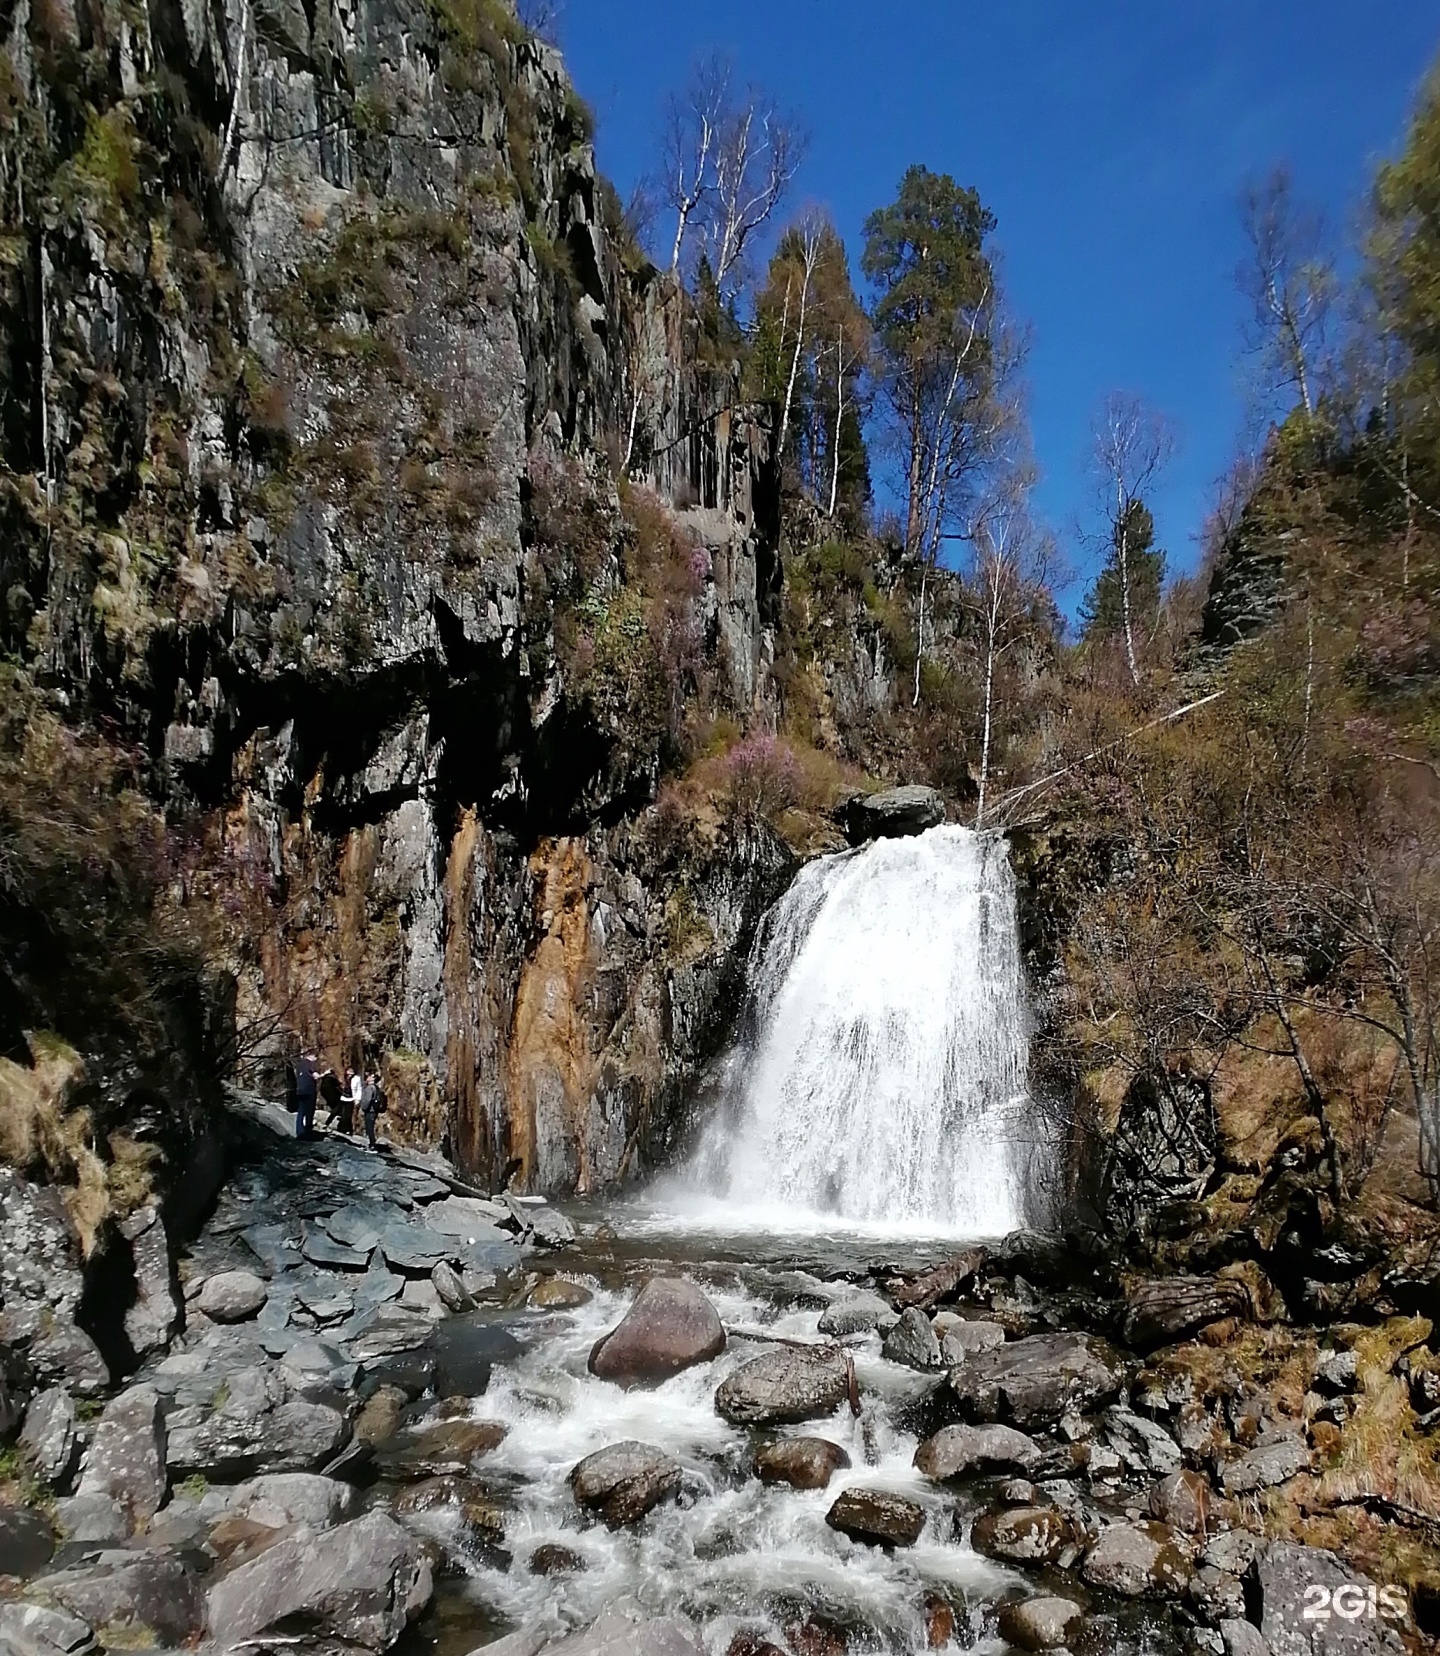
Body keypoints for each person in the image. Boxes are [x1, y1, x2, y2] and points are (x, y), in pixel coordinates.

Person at [361, 1070, 387, 1151]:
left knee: (369, 1128)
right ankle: (372, 1144)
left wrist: (364, 1107)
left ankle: (372, 1145)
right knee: (370, 1127)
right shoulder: (376, 1088)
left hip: (370, 1110)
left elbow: (367, 1099)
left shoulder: (370, 1088)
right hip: (374, 1110)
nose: (367, 1077)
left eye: (370, 1076)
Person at [294, 1052, 318, 1139]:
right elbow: (316, 1076)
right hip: (309, 1090)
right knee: (309, 1111)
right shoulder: (310, 1064)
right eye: (316, 1057)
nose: (316, 1059)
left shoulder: (299, 1065)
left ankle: (299, 1131)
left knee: (300, 1111)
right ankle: (308, 1130)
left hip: (300, 1090)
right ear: (311, 1056)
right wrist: (325, 1074)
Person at [337, 1067, 361, 1136]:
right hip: (343, 1098)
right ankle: (341, 1128)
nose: (350, 1073)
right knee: (342, 1114)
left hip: (351, 1098)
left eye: (351, 1071)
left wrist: (357, 1099)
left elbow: (359, 1089)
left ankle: (349, 1130)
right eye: (349, 1071)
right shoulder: (344, 1078)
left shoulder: (356, 1078)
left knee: (348, 1115)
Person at [317, 1064, 341, 1131]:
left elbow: (322, 1090)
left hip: (327, 1098)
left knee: (334, 1110)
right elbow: (337, 1088)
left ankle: (327, 1123)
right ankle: (329, 1124)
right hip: (335, 1097)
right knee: (337, 1110)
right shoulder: (332, 1079)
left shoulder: (324, 1080)